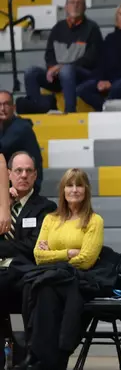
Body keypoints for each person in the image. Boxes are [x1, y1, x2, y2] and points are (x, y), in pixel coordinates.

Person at [28, 168, 105, 370]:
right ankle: (52, 360)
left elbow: (86, 260)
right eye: (69, 185)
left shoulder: (94, 221)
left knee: (47, 289)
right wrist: (68, 253)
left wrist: (52, 255)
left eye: (79, 185)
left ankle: (45, 360)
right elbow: (37, 256)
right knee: (44, 289)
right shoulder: (50, 219)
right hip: (53, 280)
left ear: (86, 190)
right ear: (62, 190)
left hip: (79, 281)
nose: (74, 190)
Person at [0, 153, 53, 369]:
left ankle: (27, 358)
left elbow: (32, 246)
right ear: (8, 174)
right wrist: (4, 204)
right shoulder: (2, 206)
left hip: (23, 275)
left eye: (28, 171)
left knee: (29, 297)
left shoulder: (45, 208)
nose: (23, 175)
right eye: (18, 171)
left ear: (35, 175)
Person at [20, 0, 104, 114]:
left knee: (67, 70)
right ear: (66, 7)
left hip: (82, 75)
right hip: (58, 75)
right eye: (72, 3)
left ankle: (69, 112)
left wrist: (62, 67)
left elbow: (91, 58)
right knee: (31, 72)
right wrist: (51, 67)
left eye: (79, 3)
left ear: (84, 8)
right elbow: (49, 54)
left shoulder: (92, 28)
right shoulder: (58, 28)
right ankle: (36, 110)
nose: (75, 6)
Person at [76, 4, 121, 111]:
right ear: (116, 17)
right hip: (108, 79)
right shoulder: (109, 38)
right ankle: (106, 108)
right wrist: (101, 80)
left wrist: (111, 82)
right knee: (82, 89)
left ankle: (107, 110)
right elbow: (101, 62)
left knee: (117, 87)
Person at [0, 91, 44, 191]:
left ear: (14, 107)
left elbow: (2, 147)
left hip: (26, 187)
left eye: (6, 104)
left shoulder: (21, 127)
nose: (2, 109)